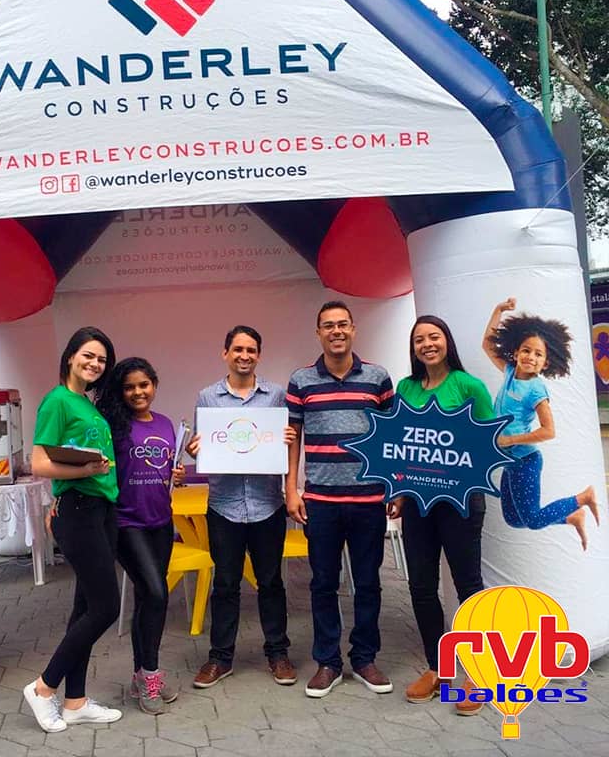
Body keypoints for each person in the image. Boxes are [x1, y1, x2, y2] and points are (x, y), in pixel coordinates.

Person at [286, 300, 394, 699]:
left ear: (353, 329)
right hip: (321, 501)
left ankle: (364, 658)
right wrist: (291, 488)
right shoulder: (301, 381)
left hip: (369, 500)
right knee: (323, 584)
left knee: (368, 584)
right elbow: (293, 438)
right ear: (318, 333)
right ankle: (328, 662)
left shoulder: (378, 378)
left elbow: (393, 436)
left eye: (343, 324)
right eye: (328, 325)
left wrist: (395, 487)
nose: (336, 331)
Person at [23, 327, 123, 733]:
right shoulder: (57, 401)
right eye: (88, 355)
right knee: (106, 608)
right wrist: (85, 470)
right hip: (79, 511)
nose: (95, 364)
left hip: (101, 510)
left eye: (101, 359)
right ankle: (43, 688)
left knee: (85, 609)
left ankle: (76, 702)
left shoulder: (85, 402)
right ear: (70, 356)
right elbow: (38, 464)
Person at [186, 325, 297, 689]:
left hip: (268, 504)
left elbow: (284, 442)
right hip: (224, 506)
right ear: (225, 354)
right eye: (238, 349)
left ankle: (278, 654)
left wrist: (287, 438)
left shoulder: (276, 395)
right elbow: (205, 446)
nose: (244, 355)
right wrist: (195, 449)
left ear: (259, 355)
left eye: (251, 350)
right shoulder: (208, 397)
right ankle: (220, 658)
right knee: (225, 584)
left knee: (271, 582)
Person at [395, 315, 494, 715]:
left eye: (433, 337)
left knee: (468, 586)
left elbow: (491, 441)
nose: (427, 344)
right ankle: (439, 669)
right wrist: (399, 492)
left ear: (446, 341)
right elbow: (400, 443)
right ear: (414, 348)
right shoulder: (405, 388)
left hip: (460, 504)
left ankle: (478, 674)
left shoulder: (469, 386)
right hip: (417, 505)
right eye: (419, 339)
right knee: (421, 587)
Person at [97, 357, 184, 715]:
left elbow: (165, 467)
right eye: (129, 387)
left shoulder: (165, 424)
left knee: (148, 599)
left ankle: (140, 676)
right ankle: (151, 676)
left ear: (154, 385)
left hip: (161, 521)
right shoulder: (112, 425)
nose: (137, 392)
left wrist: (176, 474)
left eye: (143, 385)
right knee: (157, 593)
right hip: (126, 523)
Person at [483, 299, 599, 550]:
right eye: (526, 351)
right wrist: (499, 310)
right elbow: (488, 345)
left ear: (545, 362)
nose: (531, 357)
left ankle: (583, 497)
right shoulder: (510, 372)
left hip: (525, 461)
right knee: (514, 519)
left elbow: (549, 431)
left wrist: (509, 439)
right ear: (516, 353)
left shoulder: (536, 390)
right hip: (509, 461)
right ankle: (572, 517)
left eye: (538, 354)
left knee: (533, 520)